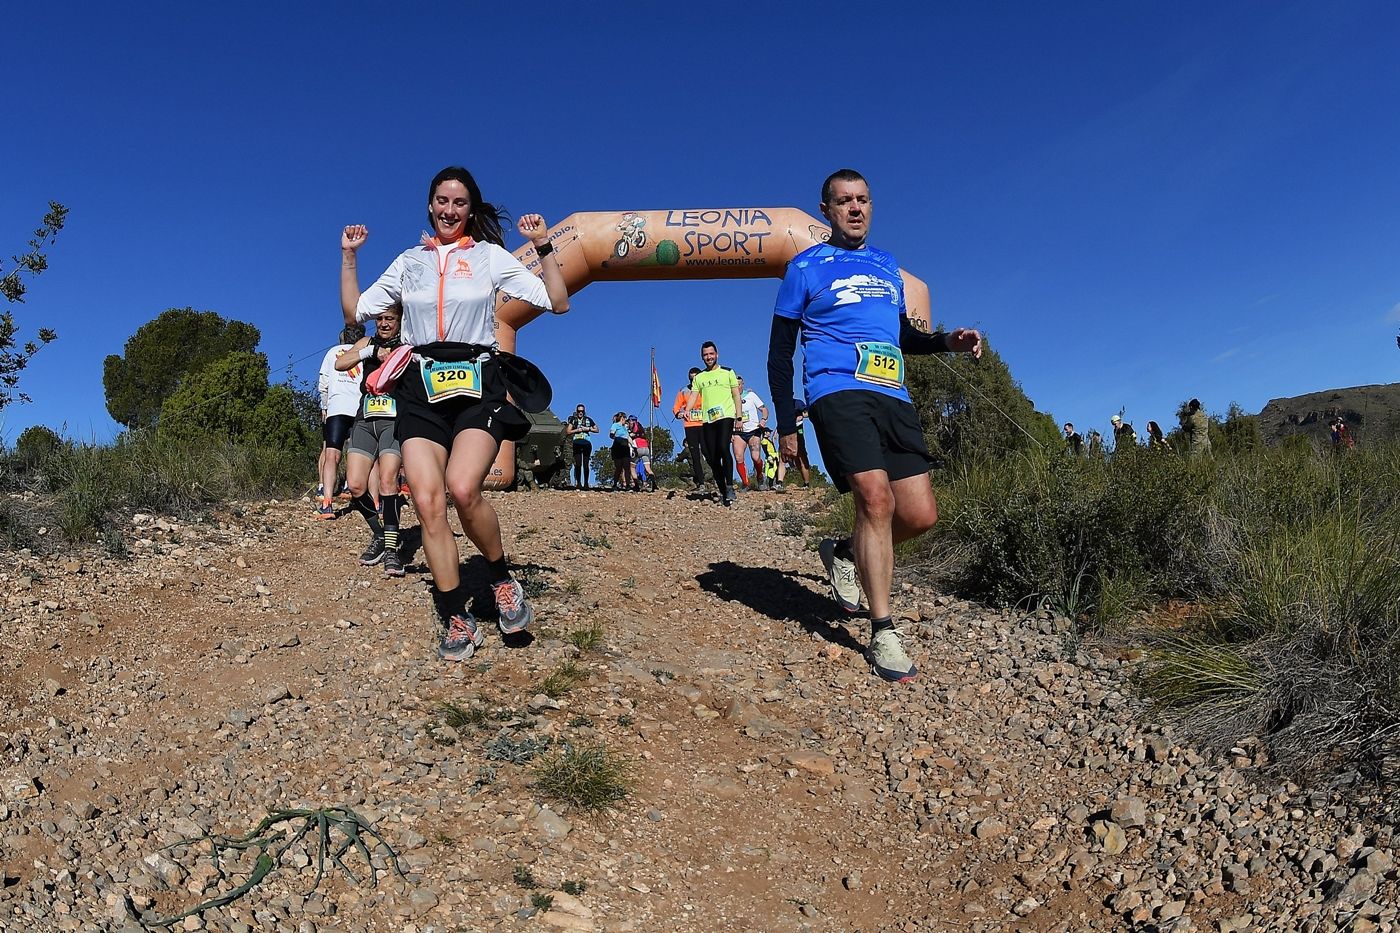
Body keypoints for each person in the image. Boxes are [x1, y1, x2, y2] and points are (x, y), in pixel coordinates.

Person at [768, 168, 982, 683]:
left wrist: (946, 342)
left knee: (921, 514)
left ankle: (842, 552)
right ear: (827, 211)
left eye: (862, 199)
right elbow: (779, 352)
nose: (855, 208)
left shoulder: (888, 268)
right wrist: (786, 420)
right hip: (835, 390)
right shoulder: (805, 267)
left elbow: (903, 334)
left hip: (892, 393)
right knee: (876, 500)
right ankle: (883, 629)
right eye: (844, 201)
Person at [350, 166, 569, 662]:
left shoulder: (490, 257)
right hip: (419, 387)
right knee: (428, 502)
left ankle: (500, 577)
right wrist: (348, 257)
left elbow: (557, 302)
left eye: (460, 203)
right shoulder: (409, 261)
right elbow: (355, 309)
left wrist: (544, 246)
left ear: (471, 210)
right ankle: (454, 613)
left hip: (477, 383)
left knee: (464, 488)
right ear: (430, 205)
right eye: (442, 201)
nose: (450, 210)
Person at [335, 287, 409, 576]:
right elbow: (341, 363)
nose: (384, 323)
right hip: (365, 419)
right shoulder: (367, 341)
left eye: (390, 318)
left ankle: (392, 550)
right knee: (355, 485)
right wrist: (370, 351)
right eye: (380, 318)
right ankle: (379, 534)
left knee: (389, 483)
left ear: (400, 320)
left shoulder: (408, 342)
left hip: (394, 420)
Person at [316, 325, 365, 519]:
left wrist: (324, 407)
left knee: (331, 454)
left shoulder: (332, 353)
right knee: (358, 453)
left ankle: (327, 502)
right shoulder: (364, 353)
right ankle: (361, 494)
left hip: (336, 408)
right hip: (359, 408)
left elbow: (323, 383)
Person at [693, 341, 742, 506]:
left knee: (723, 447)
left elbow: (736, 396)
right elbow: (693, 396)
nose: (708, 357)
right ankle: (723, 490)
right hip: (708, 419)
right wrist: (686, 409)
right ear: (702, 357)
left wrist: (739, 417)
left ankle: (729, 486)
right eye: (705, 355)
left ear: (717, 354)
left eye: (711, 354)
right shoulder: (699, 377)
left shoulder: (728, 372)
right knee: (712, 457)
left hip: (726, 416)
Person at [672, 368, 706, 490]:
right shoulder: (684, 391)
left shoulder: (706, 389)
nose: (693, 380)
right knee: (695, 454)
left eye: (695, 378)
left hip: (705, 424)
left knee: (708, 452)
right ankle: (701, 483)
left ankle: (717, 479)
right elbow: (676, 407)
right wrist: (678, 413)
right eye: (691, 378)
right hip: (690, 425)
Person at [734, 376, 768, 490]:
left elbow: (764, 409)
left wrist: (763, 420)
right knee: (739, 458)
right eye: (734, 384)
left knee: (755, 457)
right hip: (738, 432)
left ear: (742, 384)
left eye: (739, 384)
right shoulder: (729, 398)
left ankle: (760, 477)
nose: (737, 387)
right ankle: (746, 483)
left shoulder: (751, 395)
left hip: (754, 430)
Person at [566, 403, 599, 489]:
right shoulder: (573, 420)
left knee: (586, 464)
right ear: (576, 412)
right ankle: (579, 483)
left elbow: (597, 429)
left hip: (586, 443)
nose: (580, 413)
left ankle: (586, 483)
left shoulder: (588, 419)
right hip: (577, 442)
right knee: (578, 464)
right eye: (579, 411)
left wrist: (588, 429)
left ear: (584, 412)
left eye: (582, 411)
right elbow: (568, 431)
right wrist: (577, 430)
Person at [788, 403, 813, 487]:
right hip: (787, 433)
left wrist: (801, 415)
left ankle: (806, 483)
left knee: (801, 456)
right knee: (795, 458)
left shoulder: (798, 403)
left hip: (798, 432)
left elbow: (808, 412)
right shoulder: (783, 403)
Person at [608, 411, 632, 490]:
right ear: (622, 418)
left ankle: (628, 484)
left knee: (627, 467)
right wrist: (617, 438)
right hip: (618, 446)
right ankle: (615, 484)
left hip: (625, 447)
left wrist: (633, 446)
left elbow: (628, 437)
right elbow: (611, 434)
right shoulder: (615, 425)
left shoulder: (625, 427)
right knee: (618, 467)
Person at [630, 417, 654, 491]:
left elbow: (630, 437)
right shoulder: (641, 429)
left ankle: (636, 485)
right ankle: (654, 484)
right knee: (648, 468)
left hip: (638, 448)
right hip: (646, 448)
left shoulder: (633, 430)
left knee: (632, 467)